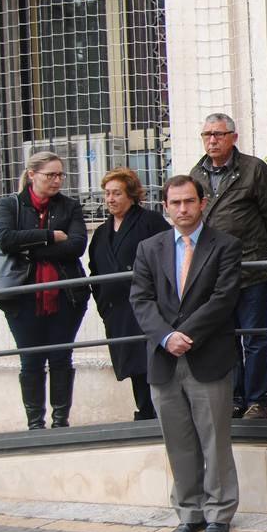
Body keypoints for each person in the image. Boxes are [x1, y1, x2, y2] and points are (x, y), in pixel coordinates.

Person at [129, 175, 242, 532]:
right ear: (165, 208)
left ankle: (219, 512)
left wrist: (184, 335)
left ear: (202, 202)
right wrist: (165, 337)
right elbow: (141, 300)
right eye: (175, 203)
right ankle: (189, 512)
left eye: (189, 202)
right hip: (164, 360)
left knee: (214, 440)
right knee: (178, 441)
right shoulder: (149, 248)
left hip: (206, 355)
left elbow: (223, 298)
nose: (182, 209)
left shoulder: (224, 246)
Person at [189, 113, 267, 420]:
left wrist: (258, 249)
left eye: (218, 134)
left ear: (234, 136)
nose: (212, 140)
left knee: (254, 337)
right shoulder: (197, 173)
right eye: (207, 134)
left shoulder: (254, 169)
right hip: (214, 272)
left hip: (250, 268)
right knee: (224, 337)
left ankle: (258, 400)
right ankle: (235, 397)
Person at [0, 151, 89, 430]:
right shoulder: (11, 205)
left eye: (60, 175)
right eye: (51, 175)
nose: (57, 180)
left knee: (61, 357)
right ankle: (35, 424)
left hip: (65, 297)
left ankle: (61, 421)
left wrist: (29, 249)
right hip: (22, 299)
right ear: (32, 174)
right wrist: (49, 236)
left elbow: (76, 246)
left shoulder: (69, 206)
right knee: (31, 360)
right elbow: (6, 240)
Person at [87, 168, 171, 420]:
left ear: (131, 195)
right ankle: (144, 408)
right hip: (118, 310)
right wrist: (103, 303)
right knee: (134, 364)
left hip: (146, 306)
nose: (110, 199)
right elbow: (95, 268)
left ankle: (159, 410)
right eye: (107, 194)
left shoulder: (149, 221)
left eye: (117, 193)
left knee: (152, 359)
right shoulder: (102, 232)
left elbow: (166, 258)